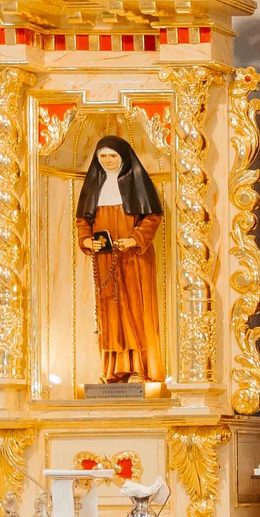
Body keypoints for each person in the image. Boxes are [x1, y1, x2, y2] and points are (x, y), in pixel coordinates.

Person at [74, 136, 166, 383]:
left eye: (112, 156)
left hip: (134, 258)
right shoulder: (94, 185)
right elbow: (83, 221)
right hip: (105, 260)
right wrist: (86, 240)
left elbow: (152, 217)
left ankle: (139, 369)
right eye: (103, 156)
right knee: (110, 314)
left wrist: (135, 239)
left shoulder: (136, 183)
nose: (107, 160)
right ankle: (113, 371)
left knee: (136, 311)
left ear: (123, 158)